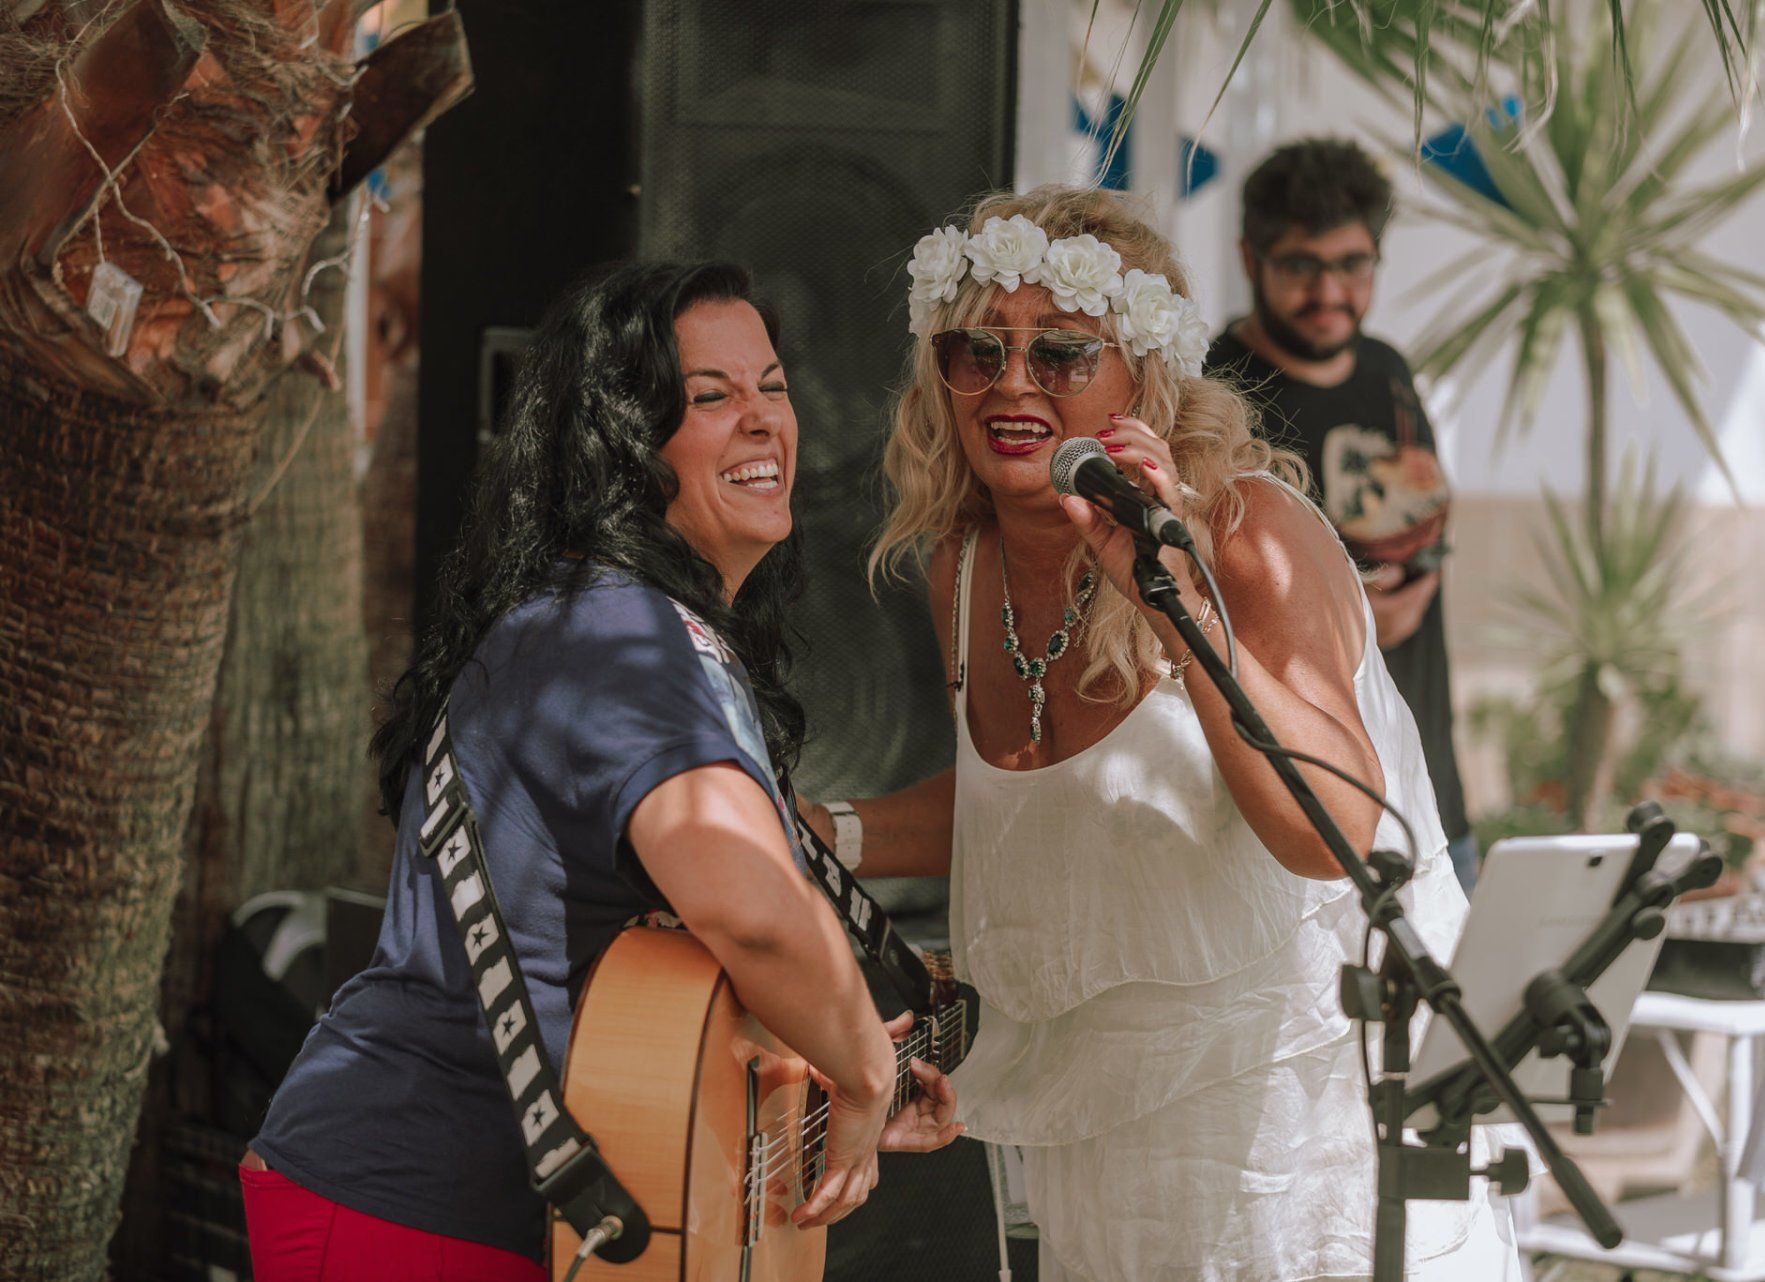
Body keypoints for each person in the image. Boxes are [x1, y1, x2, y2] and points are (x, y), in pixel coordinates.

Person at [802, 187, 1519, 1280]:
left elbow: (1339, 834)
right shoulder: (962, 566)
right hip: (1109, 1133)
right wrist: (827, 832)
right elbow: (1033, 809)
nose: (1013, 383)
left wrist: (1174, 602)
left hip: (1300, 1120)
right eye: (978, 351)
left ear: (1144, 375)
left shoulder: (1246, 534)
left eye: (1061, 353)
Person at [242, 261, 962, 1281]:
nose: (763, 418)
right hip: (409, 1205)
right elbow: (753, 911)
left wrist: (820, 1072)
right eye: (709, 396)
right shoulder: (624, 636)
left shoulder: (613, 621)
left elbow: (652, 987)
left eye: (772, 386)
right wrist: (864, 1067)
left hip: (495, 1210)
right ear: (621, 444)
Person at [1205, 137, 1478, 896]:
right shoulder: (1215, 397)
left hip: (1433, 794)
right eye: (1301, 265)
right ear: (1250, 258)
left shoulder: (1388, 370)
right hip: (1309, 820)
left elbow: (1420, 525)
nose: (1330, 292)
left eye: (1353, 264)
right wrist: (1357, 618)